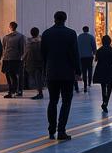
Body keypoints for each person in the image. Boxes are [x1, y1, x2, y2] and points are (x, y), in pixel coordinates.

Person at [40, 11, 81, 140]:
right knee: (66, 101)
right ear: (65, 19)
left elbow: (43, 54)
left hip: (51, 72)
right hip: (67, 73)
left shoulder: (46, 33)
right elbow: (75, 53)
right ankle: (61, 130)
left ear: (54, 19)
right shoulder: (71, 33)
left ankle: (51, 129)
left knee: (53, 101)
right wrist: (78, 71)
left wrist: (45, 70)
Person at [93, 34, 112, 113]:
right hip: (110, 69)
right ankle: (106, 102)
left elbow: (96, 59)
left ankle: (104, 100)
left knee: (103, 86)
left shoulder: (99, 50)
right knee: (110, 86)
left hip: (101, 69)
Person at [1, 22, 26, 99]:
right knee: (14, 75)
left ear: (10, 27)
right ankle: (14, 90)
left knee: (10, 76)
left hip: (9, 58)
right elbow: (22, 48)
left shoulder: (6, 37)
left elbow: (4, 48)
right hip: (15, 58)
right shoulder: (20, 36)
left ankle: (12, 91)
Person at [23, 26, 45, 98]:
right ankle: (40, 91)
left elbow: (26, 53)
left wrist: (23, 60)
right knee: (39, 77)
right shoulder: (42, 41)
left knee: (37, 78)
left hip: (32, 62)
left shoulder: (29, 42)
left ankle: (40, 92)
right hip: (41, 62)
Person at [76, 25, 97, 93]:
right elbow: (94, 47)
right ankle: (89, 82)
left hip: (81, 57)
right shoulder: (91, 37)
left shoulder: (79, 37)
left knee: (84, 70)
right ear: (88, 30)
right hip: (89, 56)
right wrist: (95, 54)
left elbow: (77, 46)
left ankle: (85, 84)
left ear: (83, 30)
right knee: (90, 69)